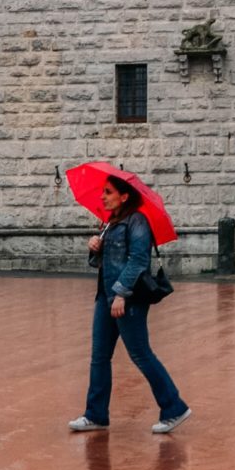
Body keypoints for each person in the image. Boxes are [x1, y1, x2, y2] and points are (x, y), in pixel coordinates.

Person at [70, 175, 190, 435]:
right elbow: (103, 262)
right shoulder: (109, 223)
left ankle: (174, 407)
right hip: (105, 296)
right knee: (99, 357)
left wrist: (122, 294)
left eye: (108, 192)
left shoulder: (137, 221)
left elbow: (138, 261)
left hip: (128, 298)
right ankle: (95, 415)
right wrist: (94, 248)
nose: (103, 196)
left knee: (140, 354)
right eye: (103, 191)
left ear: (124, 196)